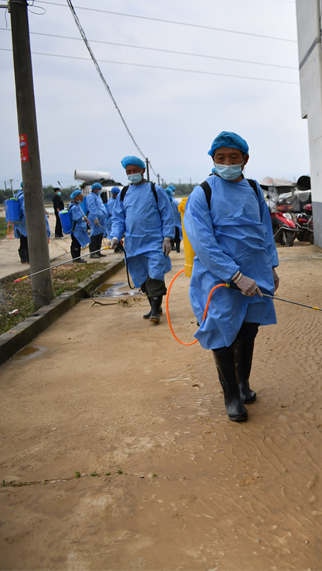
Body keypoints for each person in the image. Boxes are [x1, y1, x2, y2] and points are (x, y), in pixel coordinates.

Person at [183, 131, 280, 423]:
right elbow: (203, 242)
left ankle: (243, 384)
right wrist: (234, 275)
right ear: (213, 159)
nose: (226, 162)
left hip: (255, 275)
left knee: (248, 331)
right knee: (223, 335)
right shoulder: (203, 193)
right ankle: (231, 398)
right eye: (220, 157)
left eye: (233, 158)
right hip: (219, 281)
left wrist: (271, 267)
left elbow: (265, 231)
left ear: (245, 160)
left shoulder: (253, 189)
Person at [108, 156, 175, 324]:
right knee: (143, 277)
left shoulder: (155, 190)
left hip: (154, 241)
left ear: (142, 170)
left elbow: (167, 214)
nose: (132, 174)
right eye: (128, 172)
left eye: (134, 171)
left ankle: (155, 311)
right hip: (133, 244)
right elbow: (118, 218)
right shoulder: (124, 193)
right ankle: (155, 306)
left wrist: (167, 237)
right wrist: (115, 236)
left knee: (155, 274)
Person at [84, 183, 108, 258]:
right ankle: (93, 252)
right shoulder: (91, 197)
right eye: (99, 189)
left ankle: (98, 251)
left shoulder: (97, 196)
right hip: (95, 218)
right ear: (94, 189)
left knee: (100, 235)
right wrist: (95, 218)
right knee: (95, 235)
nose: (100, 190)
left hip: (101, 218)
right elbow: (92, 208)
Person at [68, 189, 90, 263]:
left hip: (80, 228)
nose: (82, 199)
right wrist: (83, 218)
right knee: (76, 243)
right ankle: (76, 258)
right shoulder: (73, 207)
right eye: (81, 197)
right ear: (76, 197)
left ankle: (78, 257)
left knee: (78, 243)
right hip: (76, 228)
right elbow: (76, 218)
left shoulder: (77, 205)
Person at [13, 184, 28, 264]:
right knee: (27, 241)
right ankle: (29, 259)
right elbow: (25, 210)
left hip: (18, 224)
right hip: (25, 223)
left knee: (23, 241)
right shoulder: (24, 197)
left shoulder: (17, 195)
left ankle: (23, 259)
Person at [166, 185, 181, 253]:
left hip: (168, 223)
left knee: (170, 237)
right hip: (176, 222)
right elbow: (179, 213)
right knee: (177, 237)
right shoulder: (175, 202)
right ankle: (177, 249)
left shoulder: (163, 202)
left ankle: (172, 246)